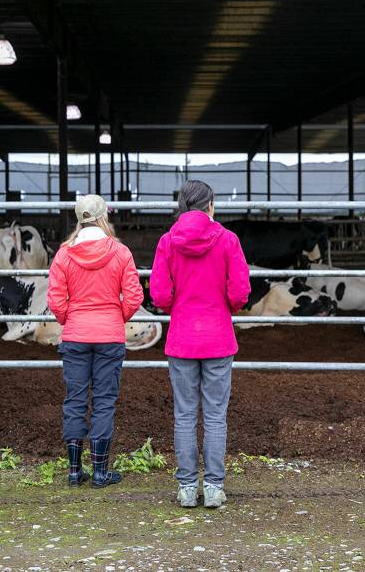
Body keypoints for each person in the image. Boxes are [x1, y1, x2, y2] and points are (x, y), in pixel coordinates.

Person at [149, 180, 250, 509]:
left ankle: (188, 489)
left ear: (181, 206)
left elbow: (160, 294)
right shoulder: (228, 240)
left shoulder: (167, 242)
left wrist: (176, 309)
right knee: (216, 416)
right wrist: (225, 309)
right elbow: (239, 293)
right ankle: (215, 488)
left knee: (185, 415)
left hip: (181, 339)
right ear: (210, 205)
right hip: (219, 338)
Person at [46, 194, 143, 488]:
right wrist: (117, 317)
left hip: (75, 335)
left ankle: (75, 472)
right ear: (104, 217)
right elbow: (135, 296)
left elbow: (55, 300)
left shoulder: (64, 254)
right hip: (109, 336)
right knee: (103, 402)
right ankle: (100, 472)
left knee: (75, 400)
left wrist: (69, 319)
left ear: (79, 218)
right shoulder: (121, 252)